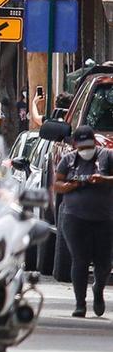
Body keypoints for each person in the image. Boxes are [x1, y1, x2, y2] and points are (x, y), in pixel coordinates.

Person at [52, 126, 112, 318]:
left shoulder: (107, 157)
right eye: (82, 146)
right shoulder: (68, 160)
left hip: (105, 218)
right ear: (75, 145)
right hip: (75, 217)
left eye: (90, 145)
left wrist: (104, 179)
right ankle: (80, 304)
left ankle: (98, 289)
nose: (86, 150)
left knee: (104, 262)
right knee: (80, 260)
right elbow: (57, 185)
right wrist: (71, 185)